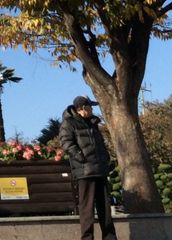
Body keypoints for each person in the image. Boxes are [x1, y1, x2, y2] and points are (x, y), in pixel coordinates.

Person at [59, 95, 117, 240]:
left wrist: (106, 160)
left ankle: (110, 237)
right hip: (85, 172)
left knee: (105, 207)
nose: (92, 109)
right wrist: (81, 158)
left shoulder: (93, 123)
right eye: (90, 106)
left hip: (100, 170)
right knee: (87, 208)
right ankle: (87, 237)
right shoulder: (69, 123)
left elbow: (101, 146)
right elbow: (66, 143)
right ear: (83, 108)